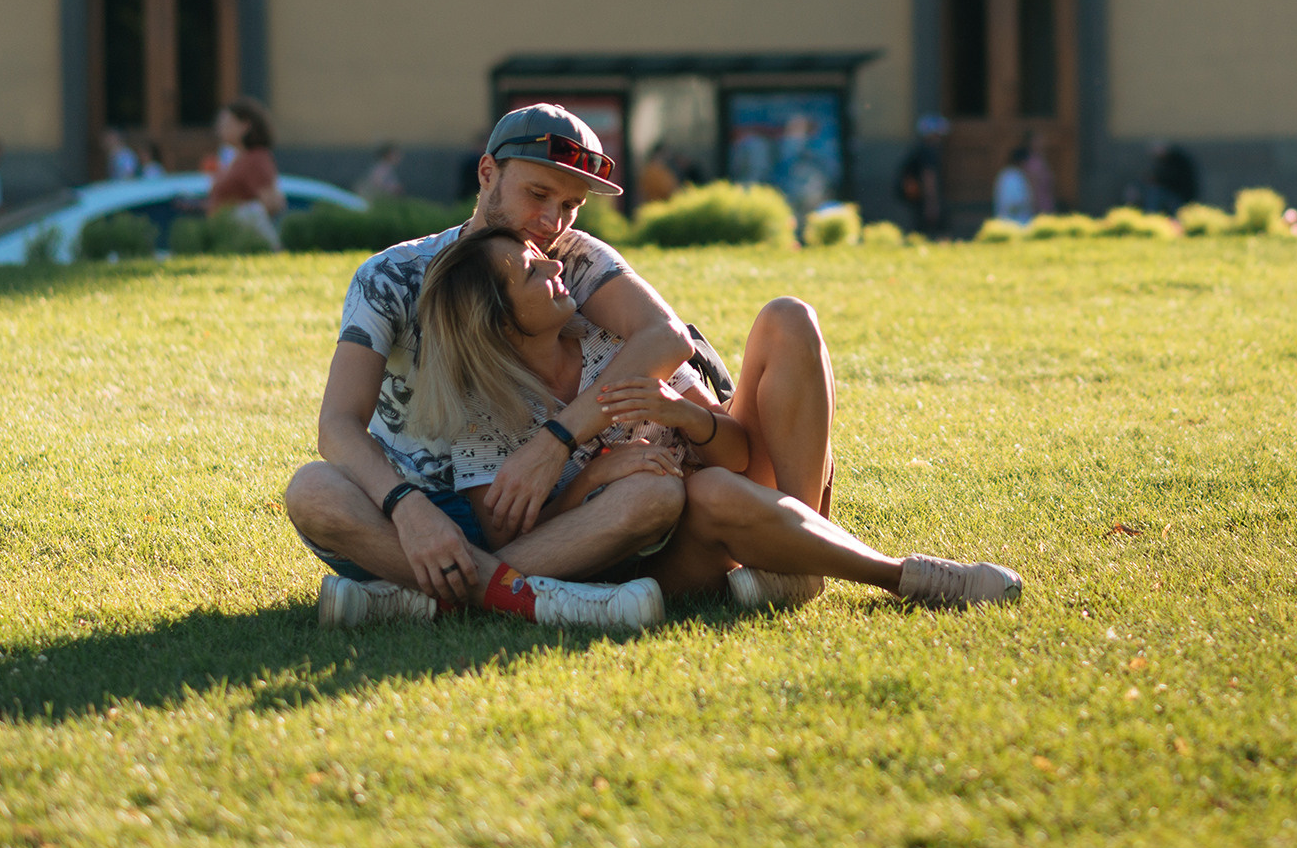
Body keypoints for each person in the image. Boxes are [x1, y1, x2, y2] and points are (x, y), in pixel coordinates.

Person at [281, 103, 841, 628]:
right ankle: (517, 593)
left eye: (571, 205)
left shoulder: (572, 259)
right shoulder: (391, 275)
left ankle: (425, 599)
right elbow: (339, 425)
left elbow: (667, 337)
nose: (552, 221)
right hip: (410, 514)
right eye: (538, 193)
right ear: (486, 173)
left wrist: (555, 443)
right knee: (313, 489)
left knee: (660, 487)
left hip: (543, 513)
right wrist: (407, 509)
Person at [418, 226, 1022, 611]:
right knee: (695, 492)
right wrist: (595, 481)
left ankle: (799, 557)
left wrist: (688, 415)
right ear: (498, 321)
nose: (555, 267)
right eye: (532, 271)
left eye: (542, 258)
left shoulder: (610, 345)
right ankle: (902, 576)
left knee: (789, 318)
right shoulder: (483, 418)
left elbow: (732, 452)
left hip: (726, 499)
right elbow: (511, 553)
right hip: (648, 564)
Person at [207, 96, 286, 248]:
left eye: (227, 123)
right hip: (226, 238)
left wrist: (241, 217)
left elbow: (271, 203)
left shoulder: (255, 158)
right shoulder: (236, 158)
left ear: (245, 126)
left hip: (243, 242)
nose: (220, 128)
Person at [897, 115, 948, 238]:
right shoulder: (928, 151)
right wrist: (931, 203)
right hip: (921, 197)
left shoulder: (918, 149)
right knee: (931, 231)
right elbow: (928, 177)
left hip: (916, 197)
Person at [1144, 143, 1199, 214]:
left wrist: (1157, 179)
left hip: (1180, 196)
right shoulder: (1174, 161)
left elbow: (1172, 179)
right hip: (1180, 196)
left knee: (1155, 195)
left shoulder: (1177, 162)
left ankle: (1151, 215)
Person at [993, 146, 1035, 225]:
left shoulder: (1015, 175)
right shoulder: (1011, 177)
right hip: (1012, 224)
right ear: (1022, 161)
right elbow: (1011, 205)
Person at [1022, 129, 1057, 216]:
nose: (1043, 142)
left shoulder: (1042, 159)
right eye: (1038, 139)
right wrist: (1035, 209)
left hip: (1047, 204)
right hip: (1039, 207)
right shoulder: (1032, 163)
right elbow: (1032, 188)